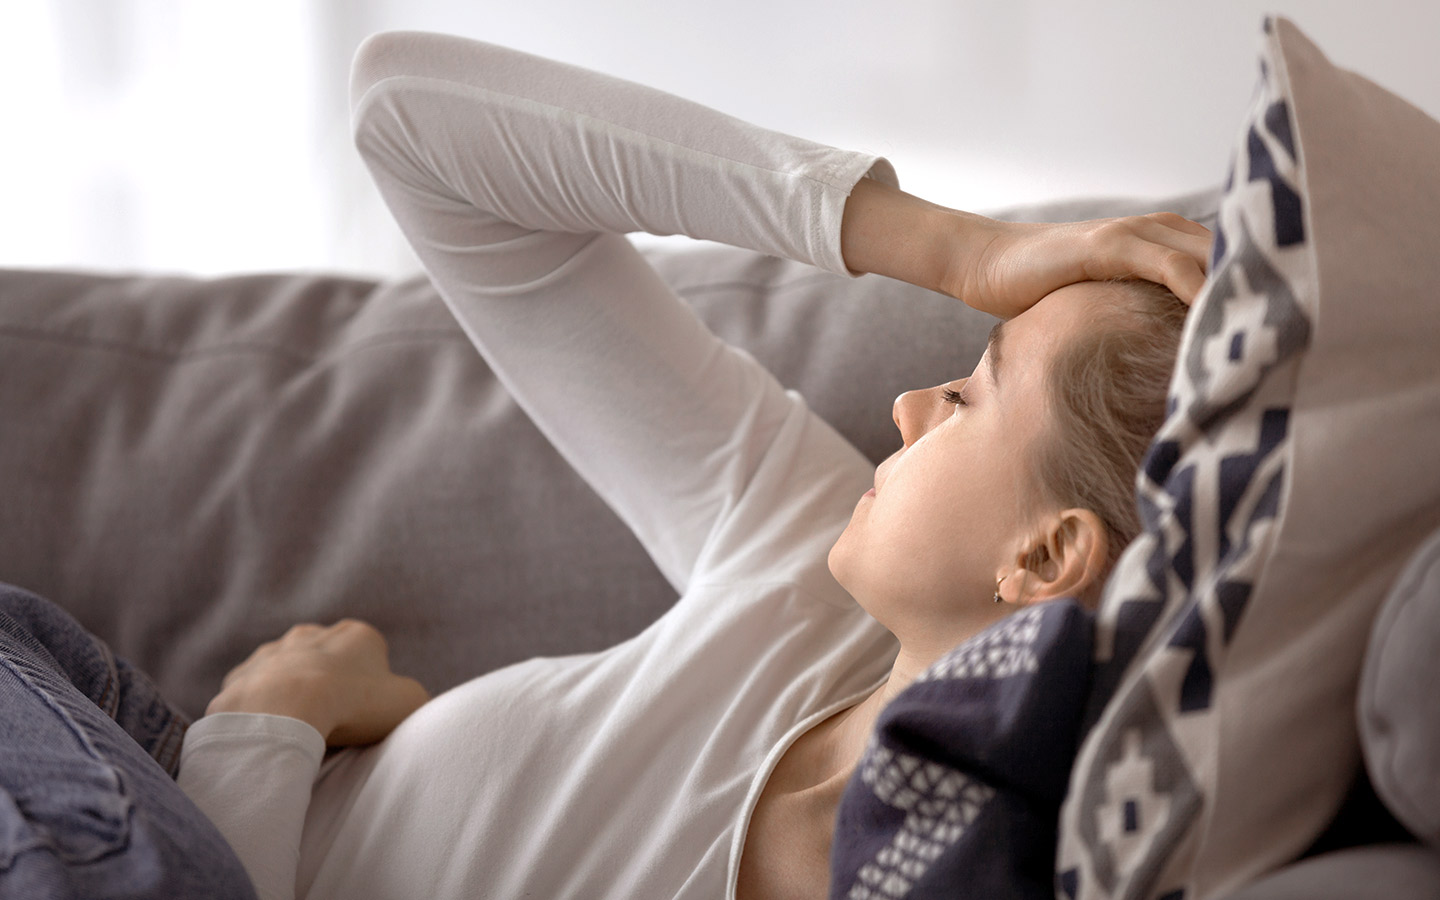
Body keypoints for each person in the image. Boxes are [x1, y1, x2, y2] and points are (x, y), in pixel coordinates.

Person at [0, 29, 1210, 900]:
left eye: (968, 393)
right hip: (80, 747)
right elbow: (410, 117)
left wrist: (263, 734)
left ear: (1043, 554)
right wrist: (956, 247)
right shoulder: (794, 566)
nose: (905, 404)